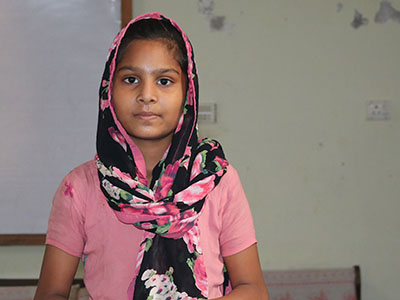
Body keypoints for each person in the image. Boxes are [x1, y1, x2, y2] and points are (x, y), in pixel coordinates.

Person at [34, 12, 268, 300]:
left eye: (165, 81)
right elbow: (50, 294)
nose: (147, 94)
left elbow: (253, 290)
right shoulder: (79, 188)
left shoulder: (217, 179)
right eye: (131, 79)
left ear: (188, 92)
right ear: (109, 89)